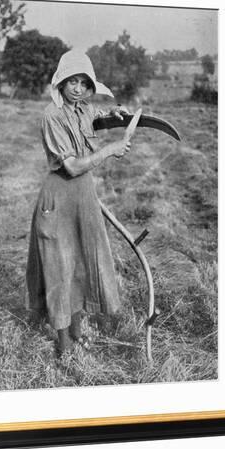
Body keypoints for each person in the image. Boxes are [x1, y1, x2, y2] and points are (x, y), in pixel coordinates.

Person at [25, 50, 132, 355]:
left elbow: (94, 119)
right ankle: (63, 344)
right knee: (60, 268)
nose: (78, 88)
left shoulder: (82, 109)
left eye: (84, 83)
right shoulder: (51, 115)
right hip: (59, 197)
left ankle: (77, 329)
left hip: (83, 196)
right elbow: (71, 166)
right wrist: (110, 150)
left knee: (82, 264)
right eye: (72, 81)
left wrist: (113, 115)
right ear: (60, 82)